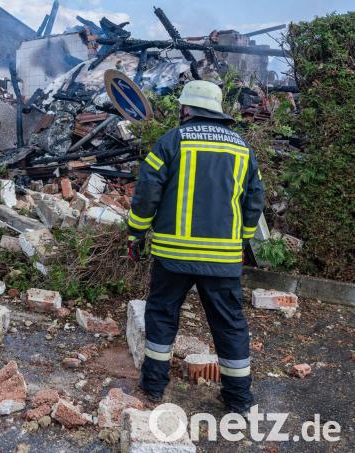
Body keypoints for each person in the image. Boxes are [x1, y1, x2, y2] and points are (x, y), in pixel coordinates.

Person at [126, 80, 265, 413]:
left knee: (161, 316)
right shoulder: (241, 148)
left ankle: (154, 387)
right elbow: (254, 199)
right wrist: (243, 237)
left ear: (186, 108)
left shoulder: (173, 141)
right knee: (229, 324)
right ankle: (239, 400)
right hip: (222, 260)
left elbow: (147, 191)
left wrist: (136, 233)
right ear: (216, 110)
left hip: (173, 257)